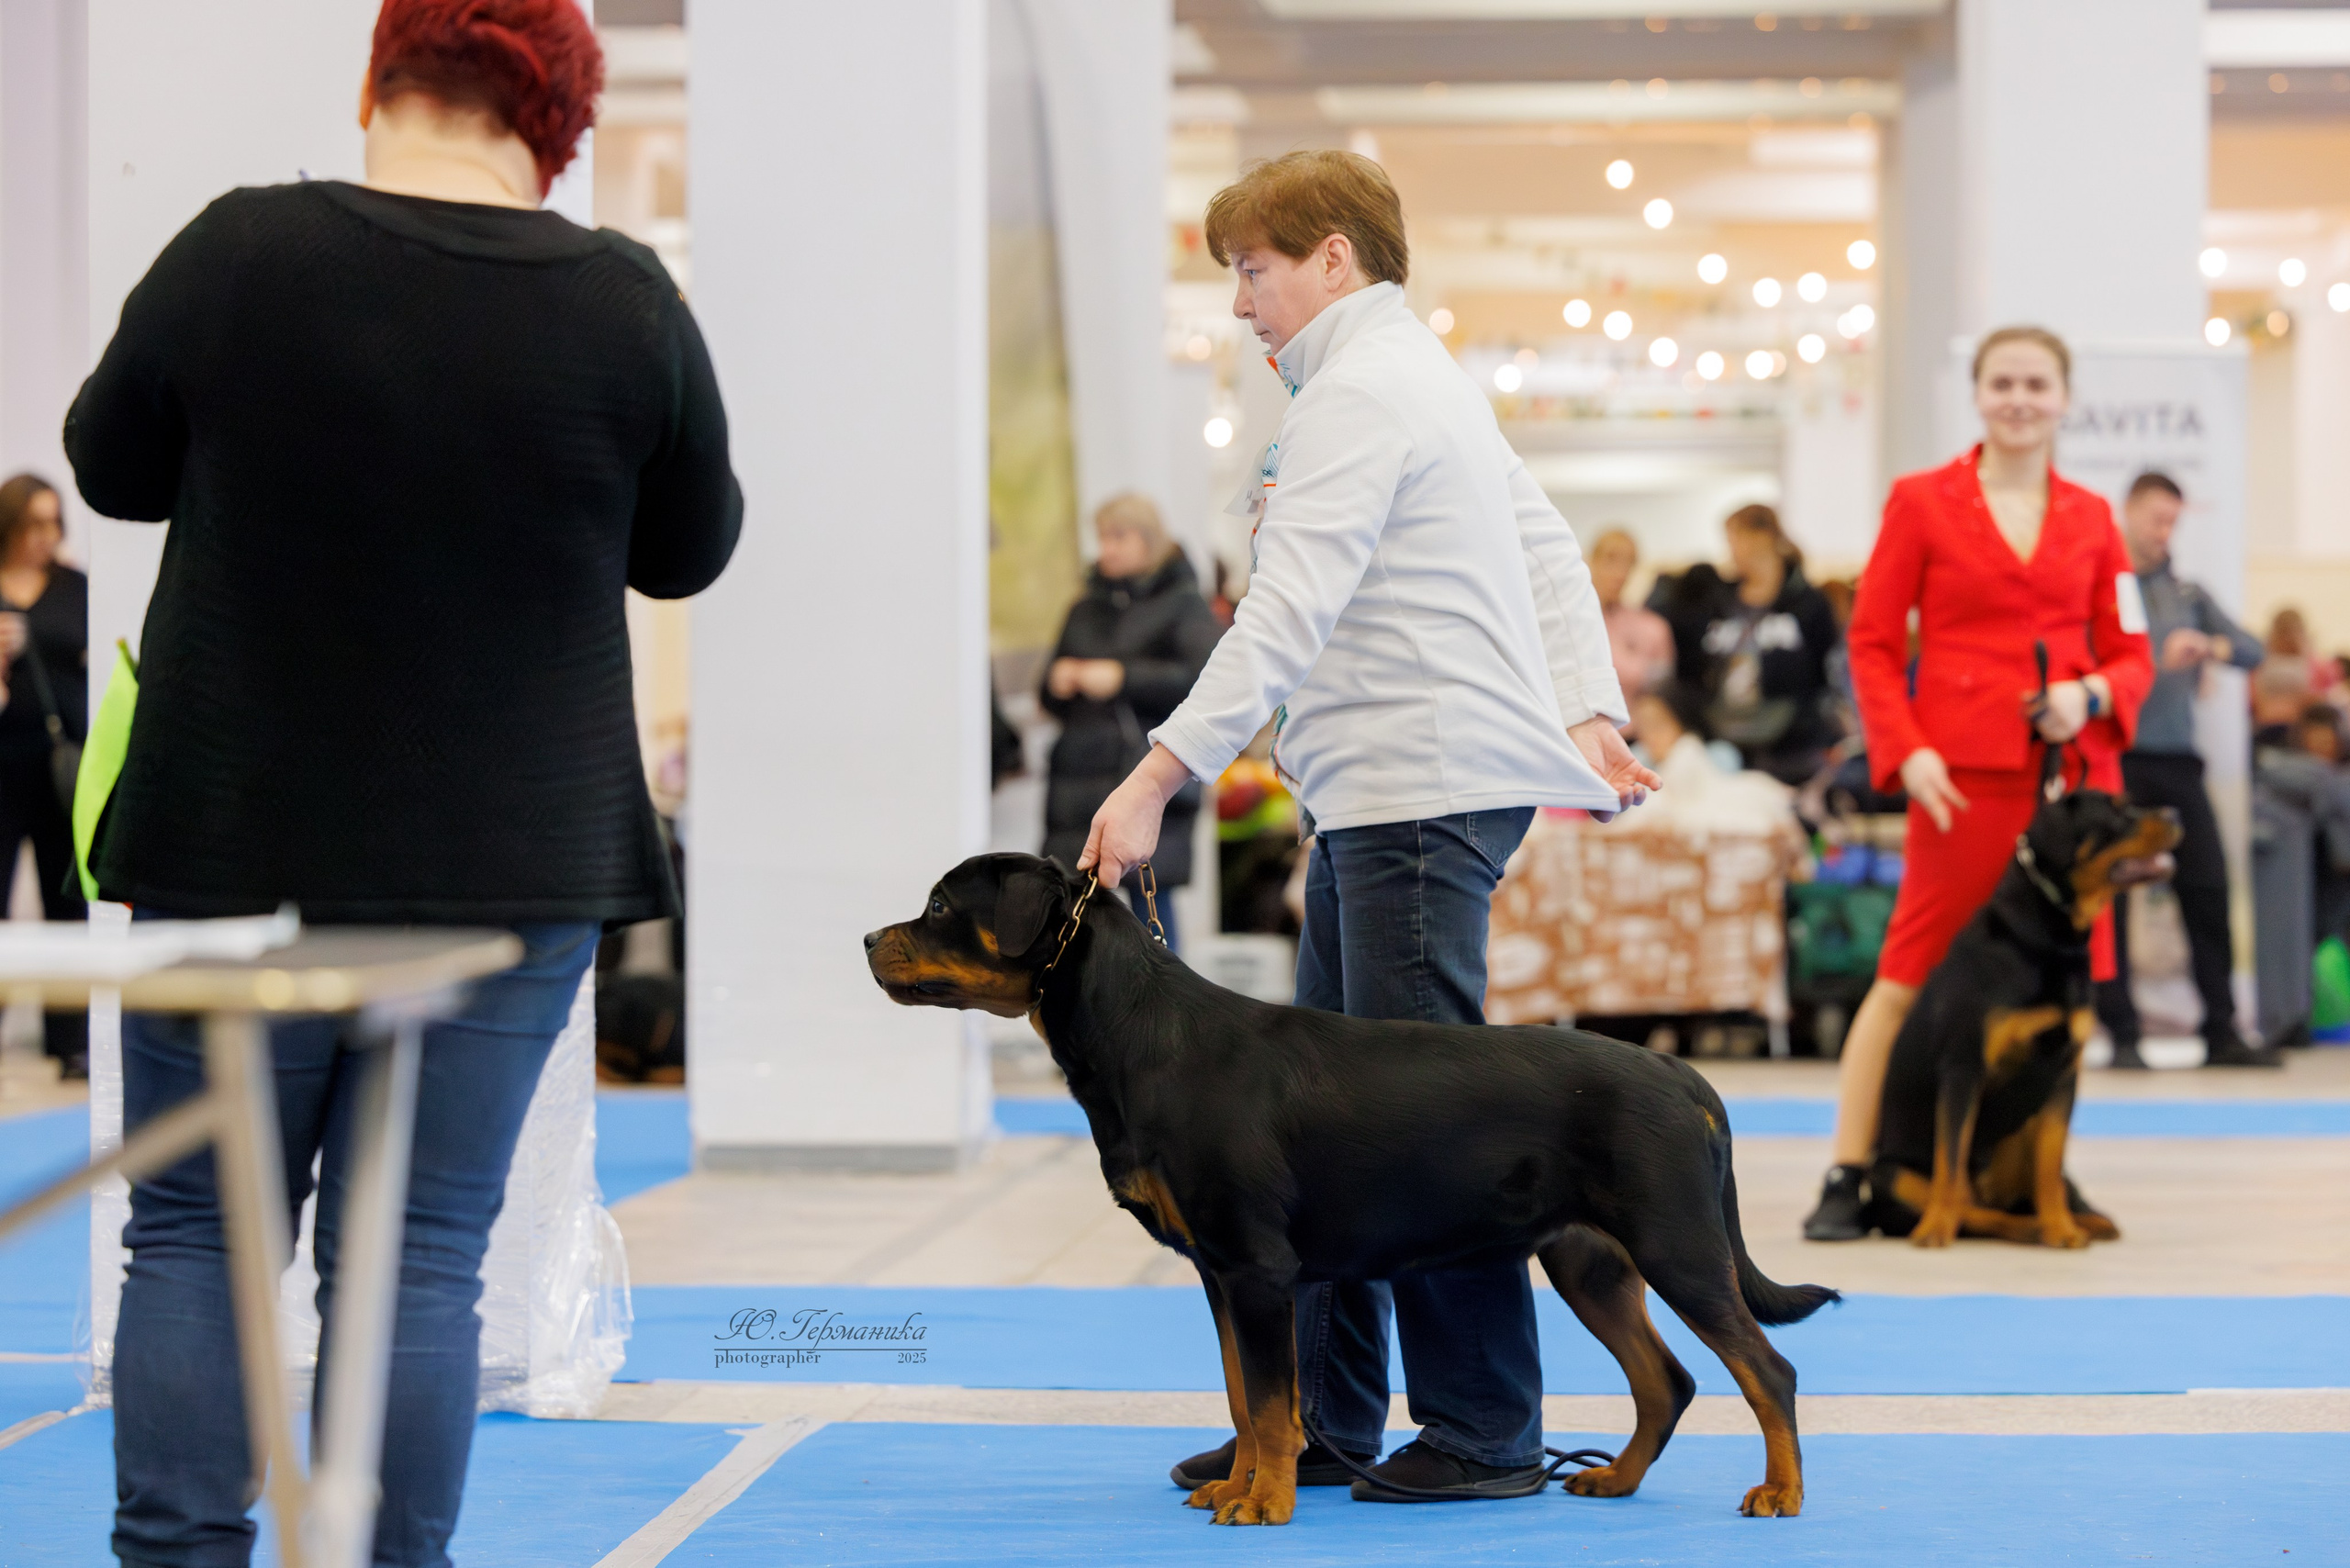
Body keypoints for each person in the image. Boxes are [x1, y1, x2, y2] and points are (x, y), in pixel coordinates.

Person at [68, 5, 741, 1563]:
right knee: (416, 1254)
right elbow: (687, 546)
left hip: (236, 827)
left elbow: (111, 464)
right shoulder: (624, 303)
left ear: (378, 79)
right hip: (515, 849)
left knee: (197, 1230)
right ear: (562, 124)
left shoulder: (238, 254)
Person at [1075, 150, 1657, 1504]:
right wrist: (1588, 708)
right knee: (1320, 1138)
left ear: (1334, 257)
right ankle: (1326, 1422)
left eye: (1253, 270)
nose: (1239, 305)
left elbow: (1282, 615)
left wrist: (1160, 773)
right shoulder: (1412, 380)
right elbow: (1549, 548)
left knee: (1421, 1134)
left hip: (1414, 798)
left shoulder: (1367, 391)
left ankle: (1481, 1430)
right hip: (1387, 797)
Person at [1802, 325, 2153, 1241]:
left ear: (2064, 397)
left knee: (2063, 992)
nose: (2019, 398)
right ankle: (1848, 1167)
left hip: (2073, 790)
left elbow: (2131, 653)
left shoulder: (2092, 517)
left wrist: (2089, 695)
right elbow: (1873, 643)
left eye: (2036, 383)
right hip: (1954, 785)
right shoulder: (1920, 502)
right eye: (2003, 382)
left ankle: (2033, 1163)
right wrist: (1906, 750)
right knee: (1907, 974)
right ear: (1978, 393)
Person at [2093, 472, 2273, 1070]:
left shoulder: (2188, 596)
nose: (2164, 532)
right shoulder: (2104, 587)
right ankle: (2120, 1033)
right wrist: (2150, 659)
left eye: (2173, 521)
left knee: (2207, 888)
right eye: (2155, 519)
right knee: (2111, 895)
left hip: (2176, 762)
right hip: (2118, 759)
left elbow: (2252, 649)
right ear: (2129, 514)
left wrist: (2211, 648)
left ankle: (2220, 1029)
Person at [1039, 494, 1221, 949]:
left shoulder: (1184, 607)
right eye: (1102, 538)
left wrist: (1123, 678)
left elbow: (1206, 680)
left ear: (1149, 539)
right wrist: (1056, 681)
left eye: (1119, 536)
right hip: (1079, 779)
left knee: (1151, 912)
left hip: (1148, 772)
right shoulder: (1083, 609)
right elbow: (1047, 694)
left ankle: (1164, 1015)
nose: (1108, 549)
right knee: (1073, 912)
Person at [0, 475, 89, 1079]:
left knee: (67, 902)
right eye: (33, 523)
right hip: (1, 763)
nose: (45, 537)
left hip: (61, 766)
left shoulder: (73, 585)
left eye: (53, 522)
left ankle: (71, 1042)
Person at [1658, 504, 1843, 786]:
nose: (1730, 552)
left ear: (1759, 538)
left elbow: (1825, 670)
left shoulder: (1807, 603)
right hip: (1724, 746)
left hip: (1791, 750)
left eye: (1733, 541)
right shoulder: (1718, 601)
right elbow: (1692, 664)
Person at [1588, 526, 1673, 707]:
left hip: (1633, 731)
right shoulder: (1568, 624)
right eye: (1611, 559)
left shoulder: (1653, 628)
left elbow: (1660, 689)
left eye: (1629, 562)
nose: (1620, 572)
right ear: (1591, 560)